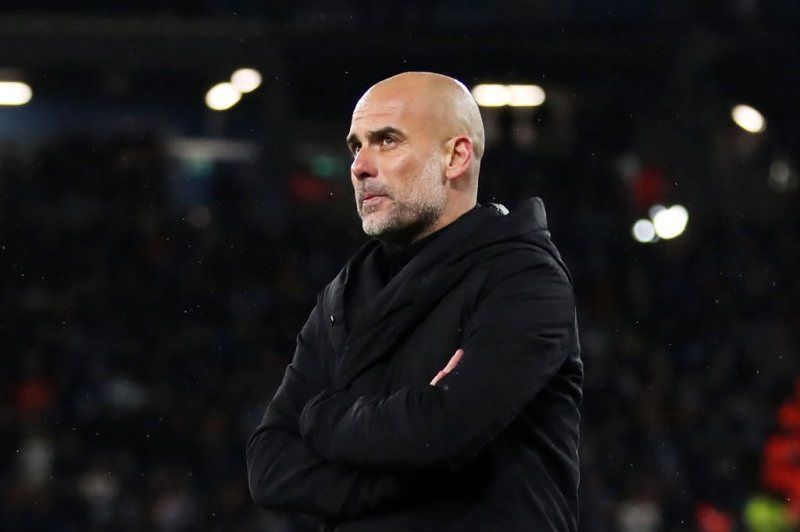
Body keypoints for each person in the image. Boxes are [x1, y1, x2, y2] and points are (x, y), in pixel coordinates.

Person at [246, 71, 583, 531]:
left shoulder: (524, 279)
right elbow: (268, 466)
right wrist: (405, 474)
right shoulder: (343, 293)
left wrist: (320, 417)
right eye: (356, 146)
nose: (360, 166)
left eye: (386, 141)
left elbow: (442, 432)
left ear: (456, 156)